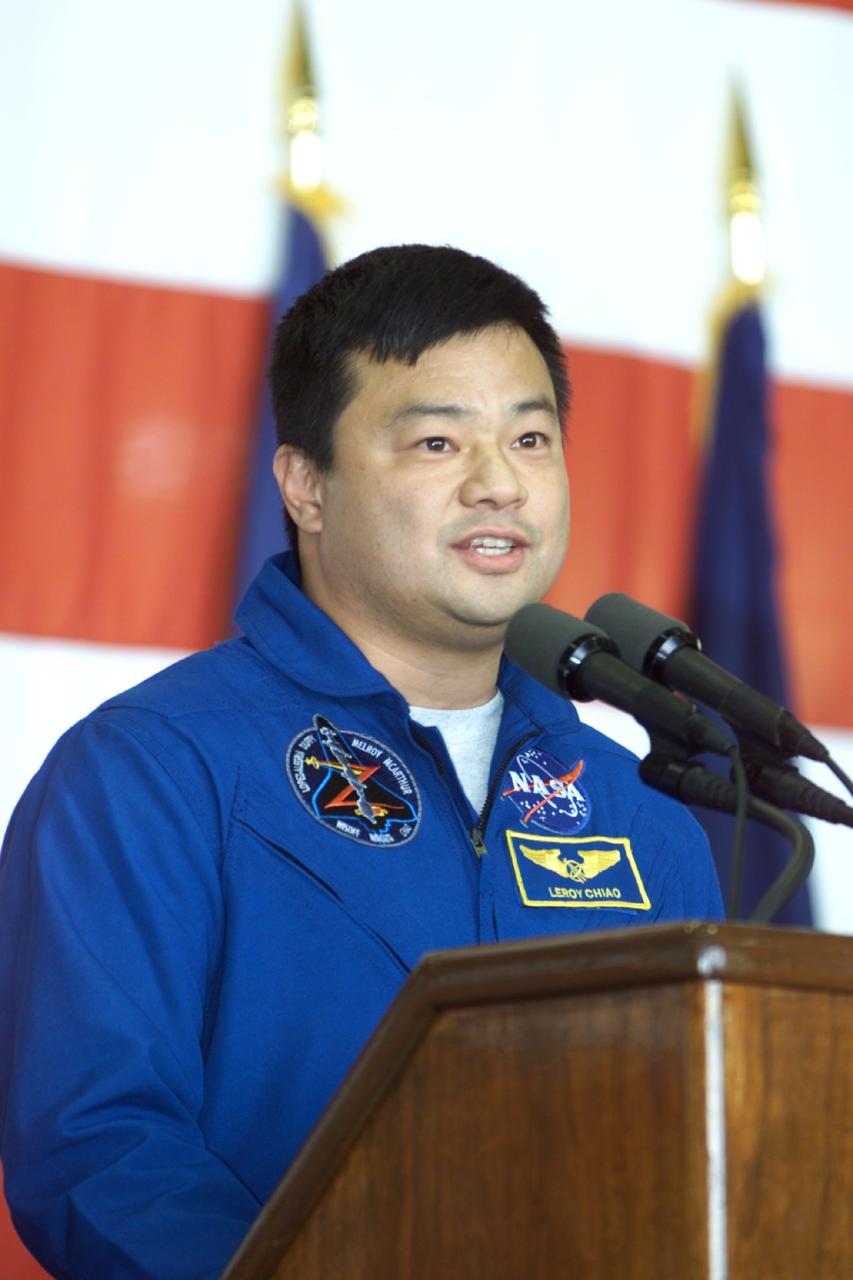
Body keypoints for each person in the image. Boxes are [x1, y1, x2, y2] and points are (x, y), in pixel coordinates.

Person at [0, 244, 722, 1279]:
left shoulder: (641, 813)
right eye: (437, 441)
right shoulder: (149, 772)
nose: (499, 484)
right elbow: (100, 1147)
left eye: (530, 436)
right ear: (305, 486)